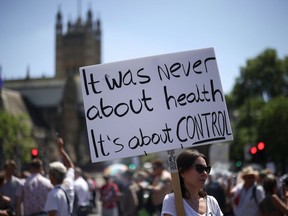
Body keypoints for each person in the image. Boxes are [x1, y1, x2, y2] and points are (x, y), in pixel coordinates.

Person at [161, 149, 223, 216]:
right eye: (199, 168)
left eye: (207, 169)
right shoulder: (172, 200)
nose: (205, 173)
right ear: (182, 172)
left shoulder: (212, 202)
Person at [44, 137, 75, 216]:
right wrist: (61, 150)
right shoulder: (68, 185)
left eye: (50, 174)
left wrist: (61, 149)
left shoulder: (53, 194)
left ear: (53, 176)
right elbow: (71, 166)